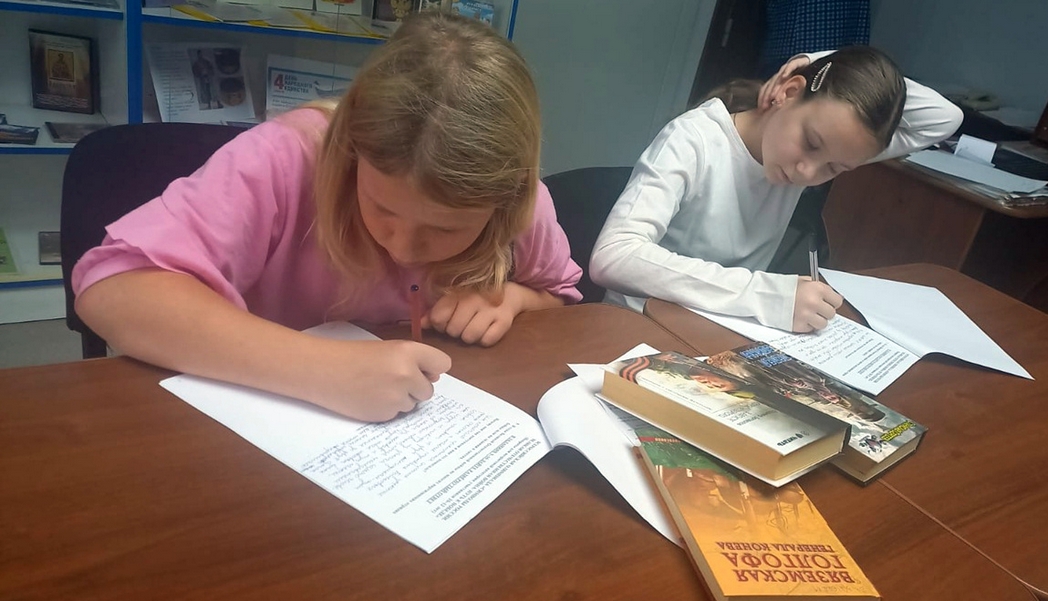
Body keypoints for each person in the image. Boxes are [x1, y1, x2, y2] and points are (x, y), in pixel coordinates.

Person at [72, 12, 582, 423]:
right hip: (264, 428)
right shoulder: (284, 158)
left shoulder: (521, 200)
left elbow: (560, 295)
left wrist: (513, 298)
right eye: (382, 208)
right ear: (349, 154)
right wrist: (322, 370)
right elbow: (113, 289)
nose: (403, 247)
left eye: (446, 228)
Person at [590, 47, 963, 332]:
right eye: (811, 143)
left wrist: (815, 62)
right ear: (788, 91)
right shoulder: (695, 140)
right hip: (637, 328)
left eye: (834, 169)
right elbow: (613, 256)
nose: (808, 172)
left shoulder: (831, 144)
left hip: (719, 331)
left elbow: (945, 118)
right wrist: (765, 295)